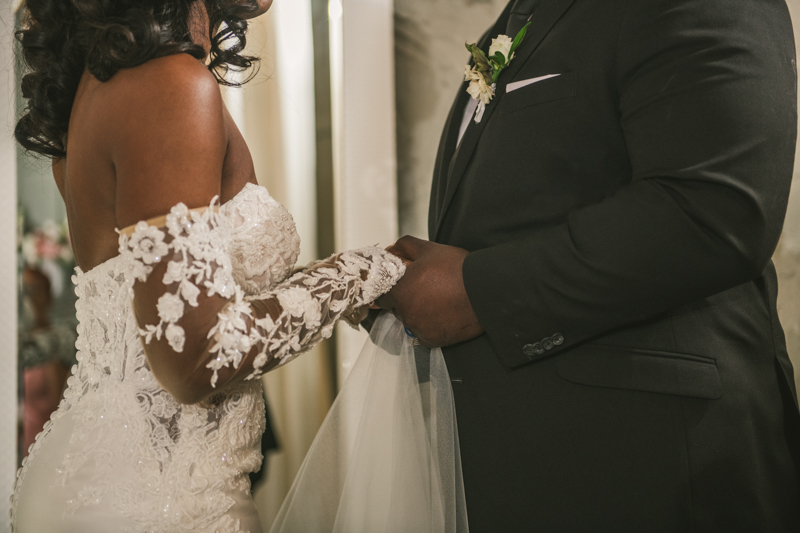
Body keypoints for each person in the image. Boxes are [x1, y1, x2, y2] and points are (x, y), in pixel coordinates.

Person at [380, 0, 800, 530]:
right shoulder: (518, 19)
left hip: (654, 463)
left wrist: (476, 292)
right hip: (524, 464)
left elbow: (715, 211)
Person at [9, 1, 405, 531]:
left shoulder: (129, 81)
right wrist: (364, 273)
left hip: (117, 475)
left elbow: (191, 301)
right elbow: (197, 356)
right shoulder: (166, 85)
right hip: (149, 497)